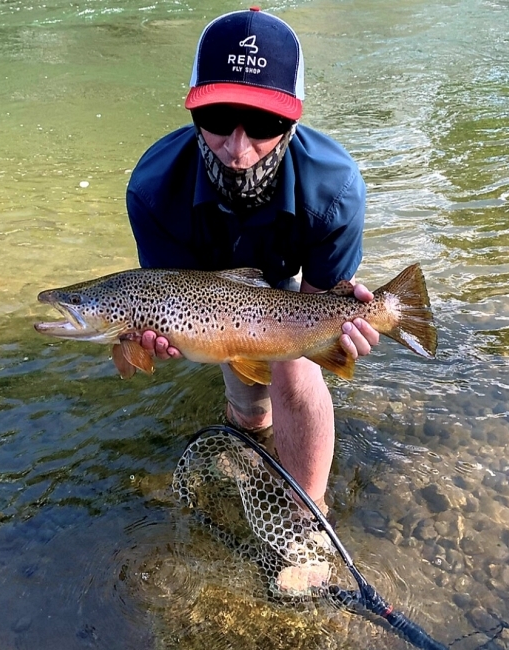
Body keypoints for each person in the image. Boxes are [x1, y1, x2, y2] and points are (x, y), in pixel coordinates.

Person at [126, 8, 379, 517]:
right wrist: (150, 339)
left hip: (287, 279)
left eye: (263, 123)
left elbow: (315, 314)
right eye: (217, 120)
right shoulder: (154, 189)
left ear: (292, 118)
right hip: (205, 286)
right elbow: (162, 300)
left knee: (294, 367)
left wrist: (343, 329)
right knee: (245, 400)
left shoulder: (335, 188)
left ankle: (308, 515)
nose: (237, 148)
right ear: (193, 109)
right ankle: (250, 435)